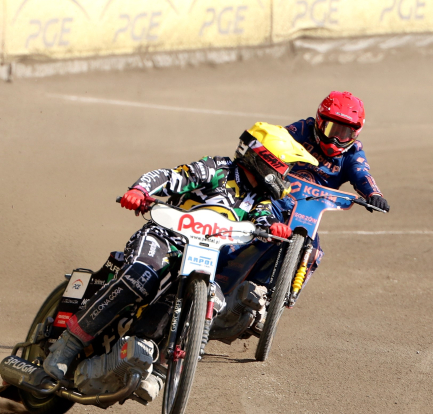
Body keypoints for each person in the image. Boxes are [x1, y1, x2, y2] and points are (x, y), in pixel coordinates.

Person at [42, 123, 318, 390]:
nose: (285, 174)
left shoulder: (262, 198)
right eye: (283, 166)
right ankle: (67, 346)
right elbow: (170, 176)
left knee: (213, 302)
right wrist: (140, 191)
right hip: (163, 238)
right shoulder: (217, 169)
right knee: (141, 277)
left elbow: (265, 217)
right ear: (264, 159)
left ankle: (160, 372)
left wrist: (273, 227)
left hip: (203, 257)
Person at [271, 91, 389, 283]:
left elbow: (361, 173)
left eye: (345, 134)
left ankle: (287, 293)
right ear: (319, 121)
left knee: (313, 253)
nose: (336, 139)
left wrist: (373, 194)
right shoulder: (302, 129)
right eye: (331, 129)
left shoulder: (353, 153)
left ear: (355, 133)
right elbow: (276, 139)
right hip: (277, 196)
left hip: (309, 211)